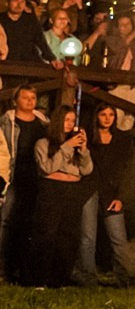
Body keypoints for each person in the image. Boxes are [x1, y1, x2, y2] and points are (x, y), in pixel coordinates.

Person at [27, 104, 93, 286]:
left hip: (72, 190)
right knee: (47, 233)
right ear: (58, 120)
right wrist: (66, 147)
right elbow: (46, 167)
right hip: (52, 188)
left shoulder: (75, 146)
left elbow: (86, 170)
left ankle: (59, 279)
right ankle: (39, 278)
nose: (70, 124)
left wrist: (84, 149)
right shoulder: (43, 143)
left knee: (68, 235)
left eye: (72, 120)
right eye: (66, 119)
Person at [80, 102, 135, 284]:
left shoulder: (122, 139)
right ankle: (88, 277)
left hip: (112, 191)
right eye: (103, 115)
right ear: (96, 117)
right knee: (88, 236)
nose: (107, 119)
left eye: (111, 115)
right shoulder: (89, 137)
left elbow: (127, 170)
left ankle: (127, 276)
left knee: (118, 236)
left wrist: (121, 197)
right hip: (90, 189)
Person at [0, 85, 46, 281]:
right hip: (12, 177)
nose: (29, 101)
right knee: (6, 221)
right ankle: (2, 268)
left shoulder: (43, 123)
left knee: (29, 223)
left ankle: (22, 268)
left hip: (35, 178)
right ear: (15, 100)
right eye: (25, 97)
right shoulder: (6, 123)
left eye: (33, 97)